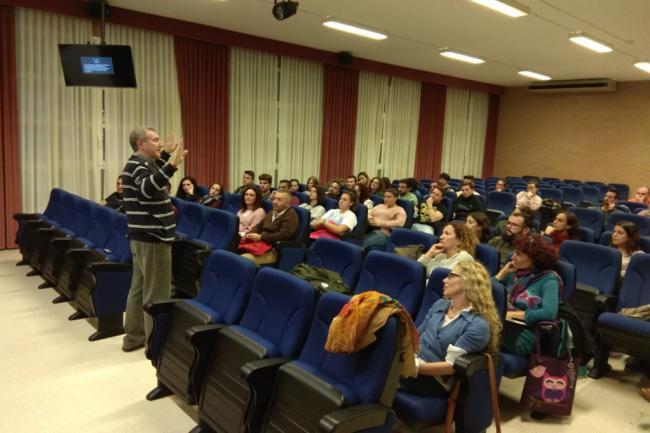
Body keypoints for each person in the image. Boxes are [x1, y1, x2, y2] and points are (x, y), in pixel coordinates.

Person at [121, 127, 187, 352]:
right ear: (141, 144)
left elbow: (151, 176)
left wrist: (165, 156)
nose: (159, 144)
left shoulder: (139, 164)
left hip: (143, 237)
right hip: (153, 238)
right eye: (155, 140)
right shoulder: (137, 165)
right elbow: (147, 188)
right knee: (157, 293)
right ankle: (156, 344)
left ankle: (134, 337)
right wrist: (172, 166)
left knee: (138, 289)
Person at [399, 260, 501, 397]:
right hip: (413, 361)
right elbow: (416, 336)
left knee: (381, 370)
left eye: (451, 276)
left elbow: (450, 367)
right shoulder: (440, 304)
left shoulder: (478, 325)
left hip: (434, 379)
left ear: (468, 282)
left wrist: (412, 367)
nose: (444, 280)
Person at [493, 234, 561, 355]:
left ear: (534, 259)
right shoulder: (513, 273)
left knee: (477, 333)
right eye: (514, 252)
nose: (513, 257)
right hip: (502, 324)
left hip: (524, 334)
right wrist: (501, 273)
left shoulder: (549, 280)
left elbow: (549, 313)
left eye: (518, 254)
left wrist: (514, 314)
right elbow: (484, 292)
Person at [240, 190, 299, 265]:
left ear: (288, 203)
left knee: (244, 258)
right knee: (233, 247)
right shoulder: (272, 211)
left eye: (279, 199)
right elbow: (259, 226)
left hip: (273, 250)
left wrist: (261, 237)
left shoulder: (291, 215)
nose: (274, 202)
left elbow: (283, 235)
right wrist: (250, 233)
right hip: (260, 244)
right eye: (274, 199)